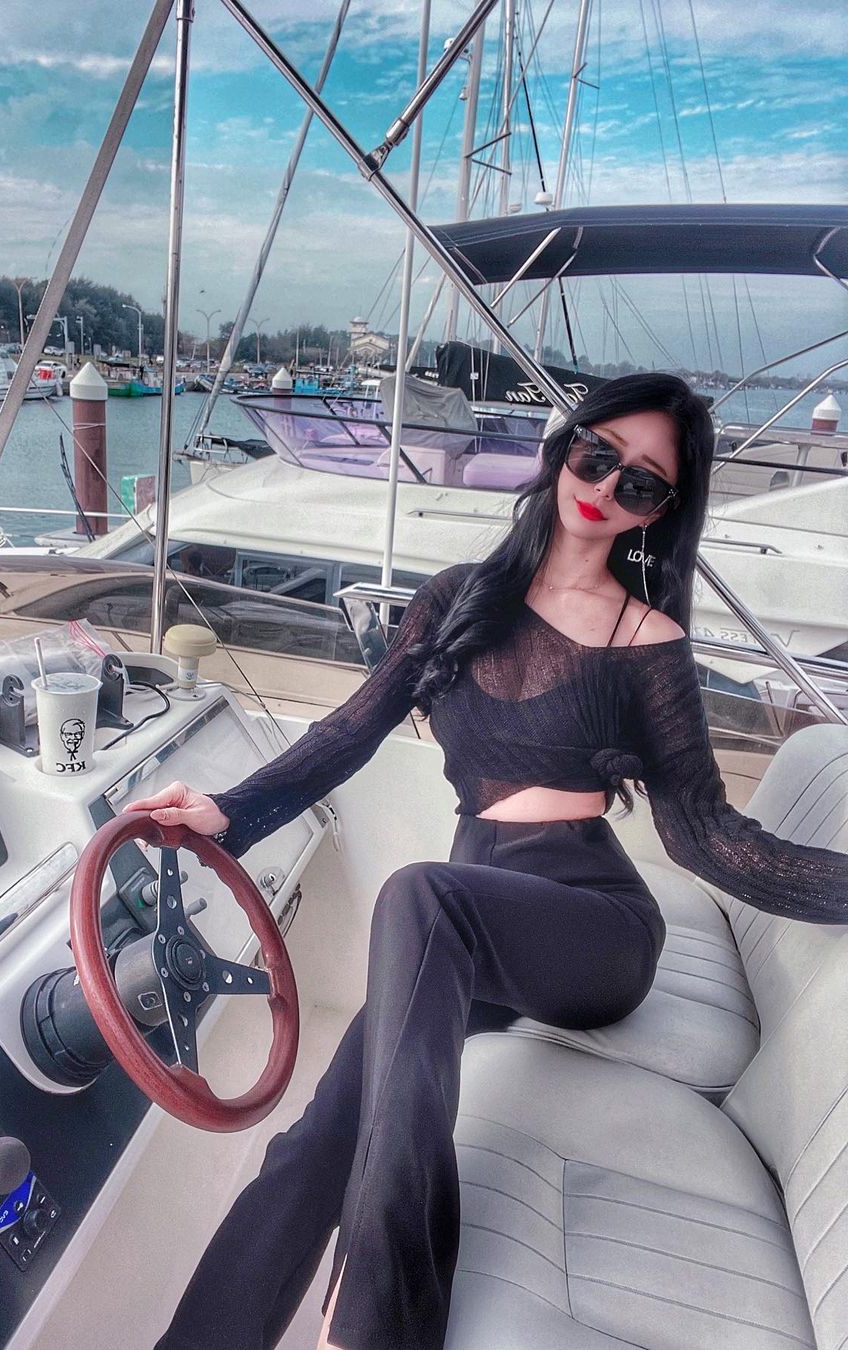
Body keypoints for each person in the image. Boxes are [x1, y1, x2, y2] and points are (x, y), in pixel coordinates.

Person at [126, 373, 848, 1350]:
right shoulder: (457, 600)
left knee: (419, 897)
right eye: (598, 455)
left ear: (658, 513)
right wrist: (231, 812)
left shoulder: (646, 639)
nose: (607, 486)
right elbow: (350, 731)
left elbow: (706, 835)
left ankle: (386, 1309)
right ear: (564, 448)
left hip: (589, 926)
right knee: (317, 1137)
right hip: (468, 918)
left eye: (641, 483)